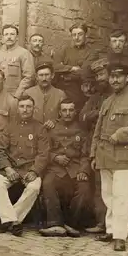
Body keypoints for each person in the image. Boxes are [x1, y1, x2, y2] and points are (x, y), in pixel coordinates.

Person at [90, 63, 128, 251]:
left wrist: (121, 134)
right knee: (108, 195)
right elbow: (97, 131)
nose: (115, 80)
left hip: (125, 157)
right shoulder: (107, 101)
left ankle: (120, 237)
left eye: (119, 76)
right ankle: (111, 230)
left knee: (122, 196)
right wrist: (93, 154)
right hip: (105, 156)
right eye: (112, 77)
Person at [0, 94, 49, 236]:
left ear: (33, 109)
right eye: (22, 106)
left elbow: (43, 154)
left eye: (28, 106)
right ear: (17, 109)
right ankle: (13, 221)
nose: (25, 109)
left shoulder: (40, 128)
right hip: (11, 168)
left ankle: (9, 220)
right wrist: (8, 168)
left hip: (29, 169)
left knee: (34, 187)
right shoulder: (10, 127)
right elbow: (0, 149)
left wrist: (35, 171)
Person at [39, 99, 92, 237]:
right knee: (48, 183)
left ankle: (71, 224)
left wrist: (83, 170)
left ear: (75, 112)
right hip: (56, 169)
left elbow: (85, 154)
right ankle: (55, 224)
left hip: (75, 169)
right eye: (64, 110)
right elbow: (44, 150)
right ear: (59, 112)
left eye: (70, 110)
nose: (67, 113)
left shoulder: (82, 130)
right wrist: (55, 157)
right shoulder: (51, 128)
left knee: (84, 188)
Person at [80, 57, 111, 234]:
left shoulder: (115, 96)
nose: (100, 78)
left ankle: (110, 223)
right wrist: (96, 113)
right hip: (93, 144)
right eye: (98, 75)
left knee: (106, 186)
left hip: (108, 145)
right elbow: (83, 117)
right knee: (96, 185)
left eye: (102, 74)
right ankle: (100, 222)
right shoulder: (94, 98)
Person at [54, 22, 99, 111]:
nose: (76, 38)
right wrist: (71, 68)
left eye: (80, 34)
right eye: (74, 35)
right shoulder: (65, 50)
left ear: (85, 35)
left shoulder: (92, 52)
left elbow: (84, 72)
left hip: (79, 92)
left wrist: (64, 71)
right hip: (62, 90)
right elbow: (55, 66)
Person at [0, 24, 34, 98]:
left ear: (17, 37)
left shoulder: (24, 53)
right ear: (3, 38)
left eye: (12, 34)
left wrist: (17, 96)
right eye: (6, 34)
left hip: (15, 96)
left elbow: (29, 77)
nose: (9, 37)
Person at [100, 29, 128, 94]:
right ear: (110, 43)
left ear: (125, 43)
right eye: (114, 41)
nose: (117, 44)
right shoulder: (104, 62)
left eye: (121, 41)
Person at [24, 62, 66, 128]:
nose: (44, 78)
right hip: (33, 131)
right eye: (41, 75)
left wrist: (55, 122)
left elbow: (66, 116)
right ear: (36, 77)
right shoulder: (28, 93)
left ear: (52, 75)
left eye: (47, 75)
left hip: (53, 132)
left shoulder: (60, 94)